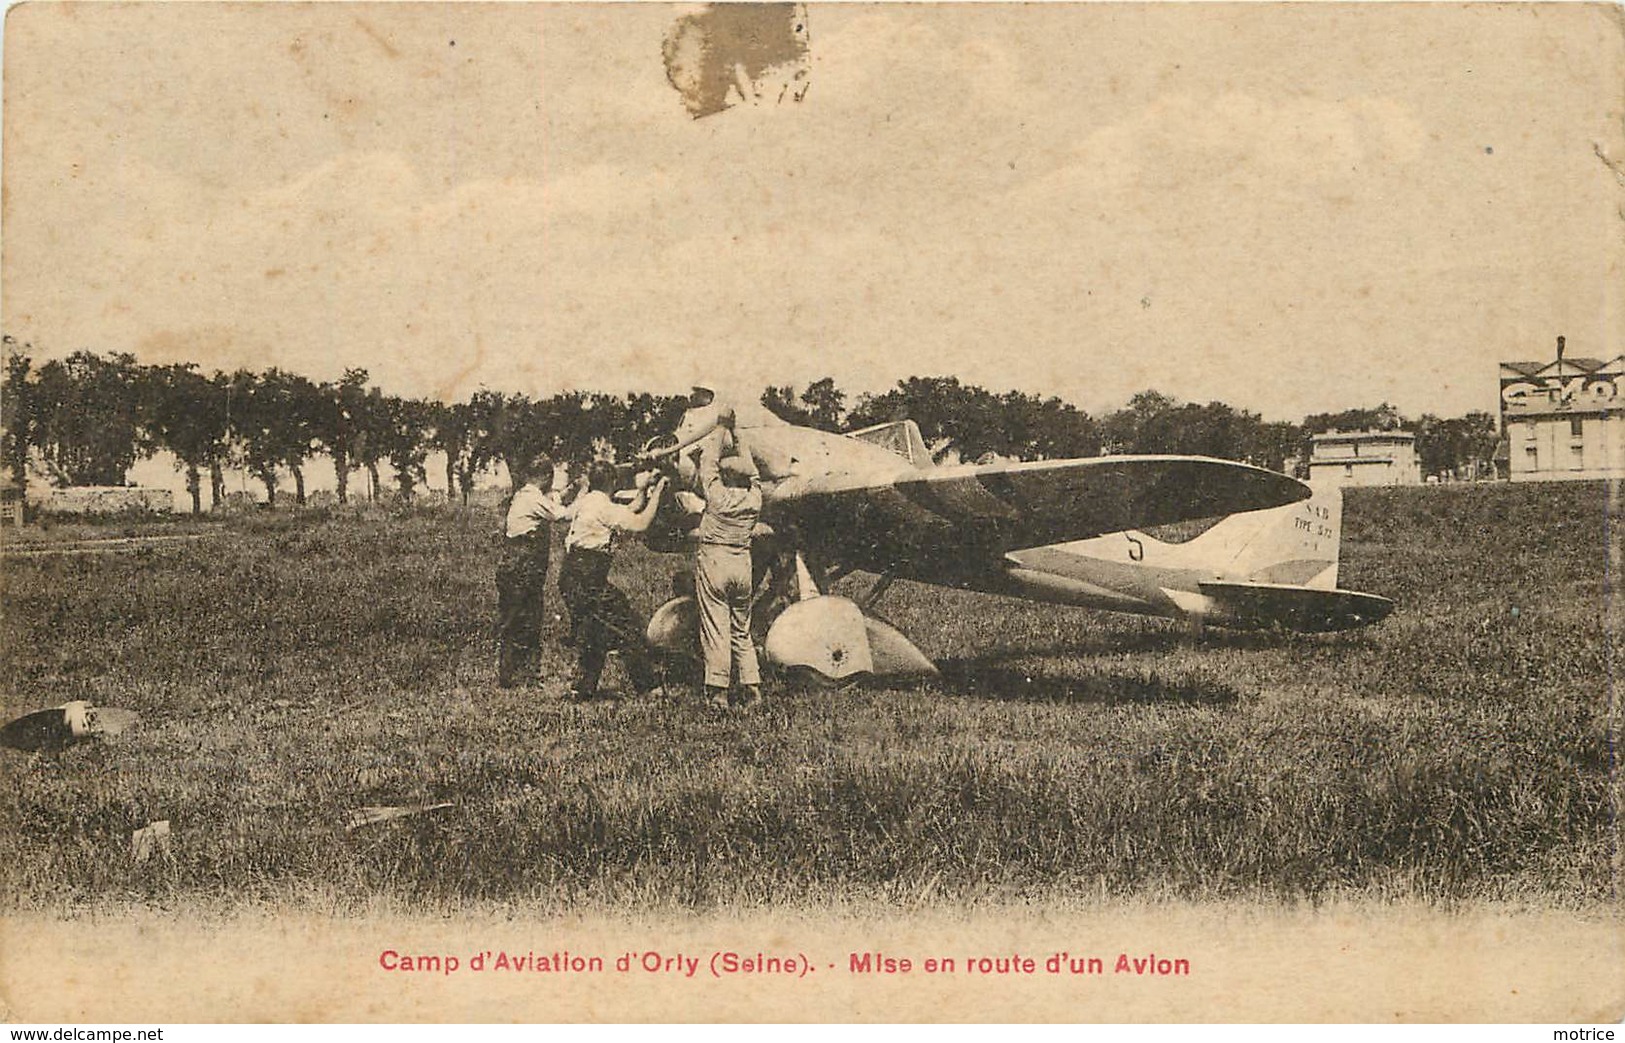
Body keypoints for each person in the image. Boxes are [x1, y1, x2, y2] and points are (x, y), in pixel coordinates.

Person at [556, 461, 668, 701]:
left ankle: (582, 688)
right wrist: (657, 493)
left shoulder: (589, 501)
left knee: (595, 629)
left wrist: (644, 491)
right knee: (627, 626)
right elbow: (640, 523)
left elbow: (629, 509)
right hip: (589, 578)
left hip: (571, 575)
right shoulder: (604, 508)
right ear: (612, 482)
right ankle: (649, 687)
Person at [692, 426, 763, 710]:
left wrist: (721, 429)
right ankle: (752, 687)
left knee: (715, 627)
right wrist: (741, 437)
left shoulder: (717, 496)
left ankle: (718, 692)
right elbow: (755, 472)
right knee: (741, 630)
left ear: (726, 476)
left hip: (715, 562)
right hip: (743, 564)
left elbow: (708, 462)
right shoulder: (755, 498)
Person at [495, 452, 578, 688]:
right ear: (546, 477)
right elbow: (560, 514)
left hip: (516, 565)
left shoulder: (526, 495)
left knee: (520, 619)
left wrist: (569, 491)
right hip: (523, 566)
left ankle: (517, 674)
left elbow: (553, 502)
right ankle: (518, 675)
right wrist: (582, 496)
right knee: (525, 620)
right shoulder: (533, 499)